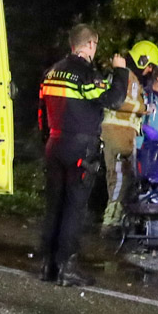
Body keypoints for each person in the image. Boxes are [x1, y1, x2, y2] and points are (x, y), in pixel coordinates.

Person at [36, 24, 128, 283]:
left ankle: (47, 266)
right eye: (95, 45)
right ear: (89, 45)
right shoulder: (85, 74)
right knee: (74, 208)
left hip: (54, 144)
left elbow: (42, 113)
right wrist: (120, 71)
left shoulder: (51, 72)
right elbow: (113, 100)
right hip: (80, 148)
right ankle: (67, 267)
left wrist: (48, 140)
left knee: (54, 206)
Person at [99, 39, 158, 232]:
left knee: (125, 178)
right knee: (119, 177)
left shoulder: (127, 76)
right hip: (118, 135)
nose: (150, 71)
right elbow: (122, 102)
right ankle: (111, 223)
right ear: (143, 61)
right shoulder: (128, 77)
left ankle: (119, 221)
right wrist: (145, 108)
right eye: (149, 66)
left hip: (123, 134)